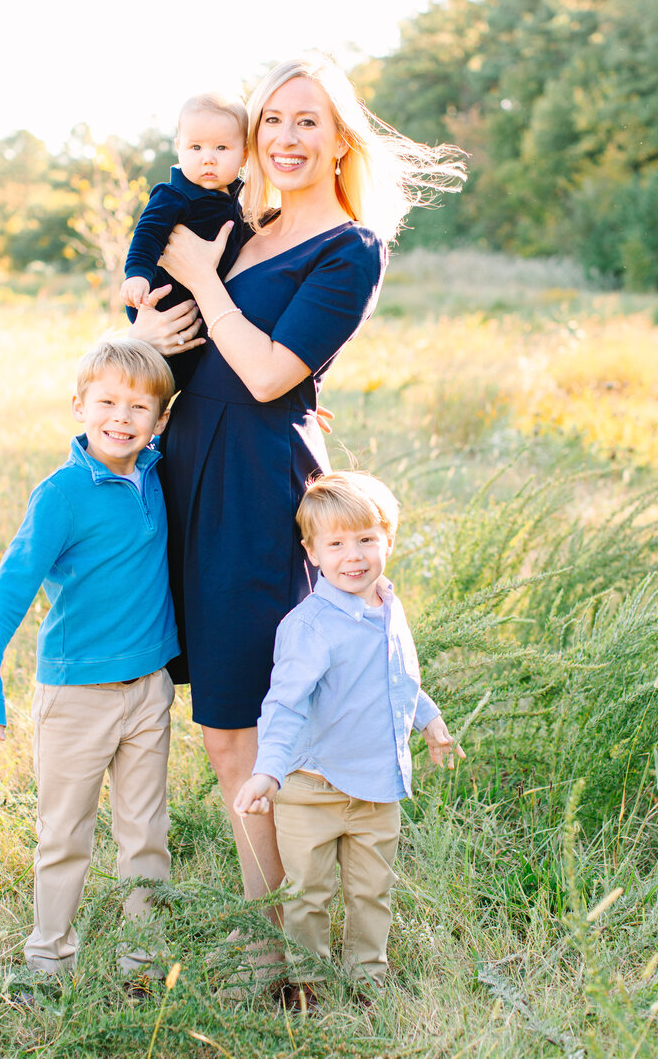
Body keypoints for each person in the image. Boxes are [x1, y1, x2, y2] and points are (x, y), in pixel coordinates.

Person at [128, 52, 466, 947]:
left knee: (253, 708)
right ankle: (269, 914)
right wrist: (145, 328)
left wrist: (202, 283)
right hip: (186, 464)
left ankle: (292, 933)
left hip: (258, 480)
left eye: (305, 120)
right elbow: (179, 345)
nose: (283, 137)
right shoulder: (241, 228)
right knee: (217, 724)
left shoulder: (349, 250)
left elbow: (274, 373)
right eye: (271, 119)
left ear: (339, 138)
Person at [0, 338, 178, 977]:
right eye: (107, 401)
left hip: (148, 690)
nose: (122, 417)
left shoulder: (155, 471)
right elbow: (9, 591)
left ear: (160, 422)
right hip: (77, 694)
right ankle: (47, 961)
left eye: (140, 407)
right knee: (64, 835)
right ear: (78, 405)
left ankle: (145, 964)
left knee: (145, 836)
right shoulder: (60, 494)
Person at [234, 471, 466, 1010]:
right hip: (312, 788)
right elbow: (285, 704)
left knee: (371, 892)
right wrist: (268, 772)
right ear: (311, 553)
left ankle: (367, 978)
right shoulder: (309, 626)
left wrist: (428, 721)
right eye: (335, 544)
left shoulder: (389, 605)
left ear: (388, 539)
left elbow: (395, 678)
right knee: (308, 893)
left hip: (378, 788)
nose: (353, 555)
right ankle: (308, 983)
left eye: (365, 539)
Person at [121, 92, 248, 324]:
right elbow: (148, 233)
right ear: (179, 148)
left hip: (205, 311)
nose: (208, 159)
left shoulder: (239, 201)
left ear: (244, 154)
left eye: (221, 148)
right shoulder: (172, 196)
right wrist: (137, 274)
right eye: (196, 147)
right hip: (164, 302)